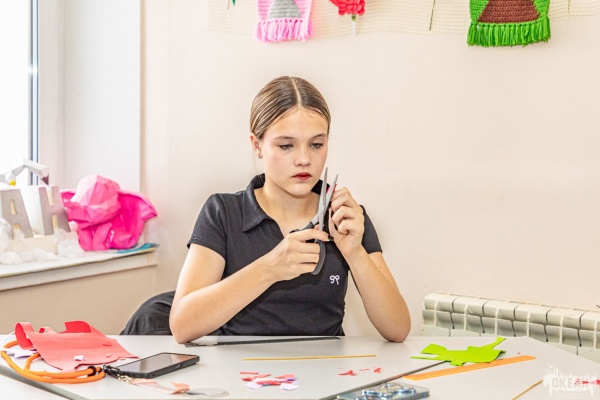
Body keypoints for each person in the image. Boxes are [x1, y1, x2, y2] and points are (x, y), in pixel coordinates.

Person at [169, 76, 411, 344]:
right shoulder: (223, 213)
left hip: (327, 367)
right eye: (286, 146)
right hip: (240, 367)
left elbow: (397, 329)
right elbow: (182, 326)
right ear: (257, 145)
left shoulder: (345, 216)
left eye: (316, 144)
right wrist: (270, 269)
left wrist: (355, 252)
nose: (304, 160)